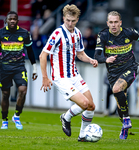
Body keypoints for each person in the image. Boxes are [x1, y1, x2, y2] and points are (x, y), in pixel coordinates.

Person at [94, 11, 139, 139]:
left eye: (116, 22)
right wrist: (106, 59)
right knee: (120, 108)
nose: (113, 25)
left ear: (120, 23)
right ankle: (125, 126)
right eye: (111, 22)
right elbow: (97, 56)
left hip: (130, 68)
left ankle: (127, 119)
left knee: (116, 89)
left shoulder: (129, 33)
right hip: (113, 73)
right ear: (107, 23)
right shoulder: (103, 35)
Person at [39, 4, 98, 142]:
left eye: (73, 21)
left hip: (74, 75)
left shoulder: (77, 33)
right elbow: (43, 55)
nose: (70, 23)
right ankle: (66, 117)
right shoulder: (57, 34)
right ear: (63, 18)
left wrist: (90, 60)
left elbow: (80, 54)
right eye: (67, 20)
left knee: (91, 106)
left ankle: (82, 135)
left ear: (77, 19)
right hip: (61, 77)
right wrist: (45, 77)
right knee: (84, 103)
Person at [0, 11, 38, 130]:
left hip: (19, 67)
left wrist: (34, 68)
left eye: (14, 19)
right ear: (6, 20)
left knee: (23, 90)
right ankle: (4, 120)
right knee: (5, 94)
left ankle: (16, 116)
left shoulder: (24, 33)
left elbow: (30, 51)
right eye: (10, 19)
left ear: (17, 21)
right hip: (4, 68)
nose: (12, 20)